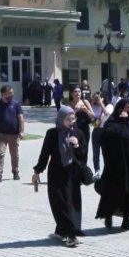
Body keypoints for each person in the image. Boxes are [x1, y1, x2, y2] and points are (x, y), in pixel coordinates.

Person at [32, 106, 86, 248]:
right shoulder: (52, 134)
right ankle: (68, 233)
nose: (71, 122)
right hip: (57, 174)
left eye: (73, 119)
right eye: (68, 119)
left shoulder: (79, 133)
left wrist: (77, 146)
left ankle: (67, 232)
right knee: (59, 203)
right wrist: (37, 171)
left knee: (72, 204)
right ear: (61, 119)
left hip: (72, 174)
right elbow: (45, 155)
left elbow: (83, 157)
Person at [96, 99, 129, 231]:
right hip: (117, 166)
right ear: (119, 109)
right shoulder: (112, 123)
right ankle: (108, 215)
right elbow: (106, 138)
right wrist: (121, 123)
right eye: (126, 108)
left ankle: (126, 221)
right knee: (115, 192)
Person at [0, 85, 25, 183]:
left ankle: (15, 171)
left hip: (14, 134)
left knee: (14, 154)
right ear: (3, 94)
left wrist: (22, 131)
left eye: (12, 93)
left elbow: (21, 118)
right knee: (0, 153)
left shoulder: (16, 104)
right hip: (1, 134)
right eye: (9, 93)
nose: (11, 95)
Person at [67, 86, 95, 162]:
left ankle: (83, 167)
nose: (78, 93)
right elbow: (68, 118)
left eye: (79, 92)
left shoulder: (85, 102)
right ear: (71, 93)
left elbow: (93, 115)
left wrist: (86, 110)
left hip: (85, 129)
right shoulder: (69, 104)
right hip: (74, 129)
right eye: (75, 91)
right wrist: (75, 110)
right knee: (74, 148)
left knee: (84, 149)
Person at [89, 93, 111, 179]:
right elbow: (90, 116)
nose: (98, 99)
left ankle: (107, 171)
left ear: (103, 98)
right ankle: (97, 171)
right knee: (96, 153)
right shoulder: (93, 107)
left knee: (106, 152)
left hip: (105, 131)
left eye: (99, 97)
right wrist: (92, 101)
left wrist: (101, 103)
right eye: (96, 98)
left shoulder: (109, 106)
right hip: (96, 130)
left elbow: (107, 114)